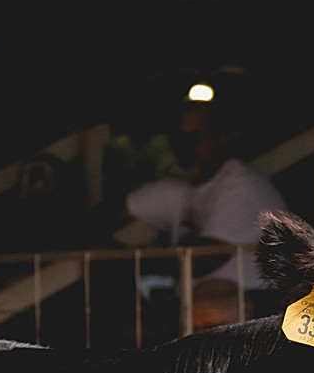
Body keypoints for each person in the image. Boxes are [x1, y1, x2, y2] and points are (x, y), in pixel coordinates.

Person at [123, 103, 289, 328]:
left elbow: (202, 259)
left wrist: (130, 261)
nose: (184, 149)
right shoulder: (183, 187)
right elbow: (117, 211)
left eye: (193, 139)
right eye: (177, 140)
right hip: (201, 315)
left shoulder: (244, 187)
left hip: (251, 315)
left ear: (221, 138)